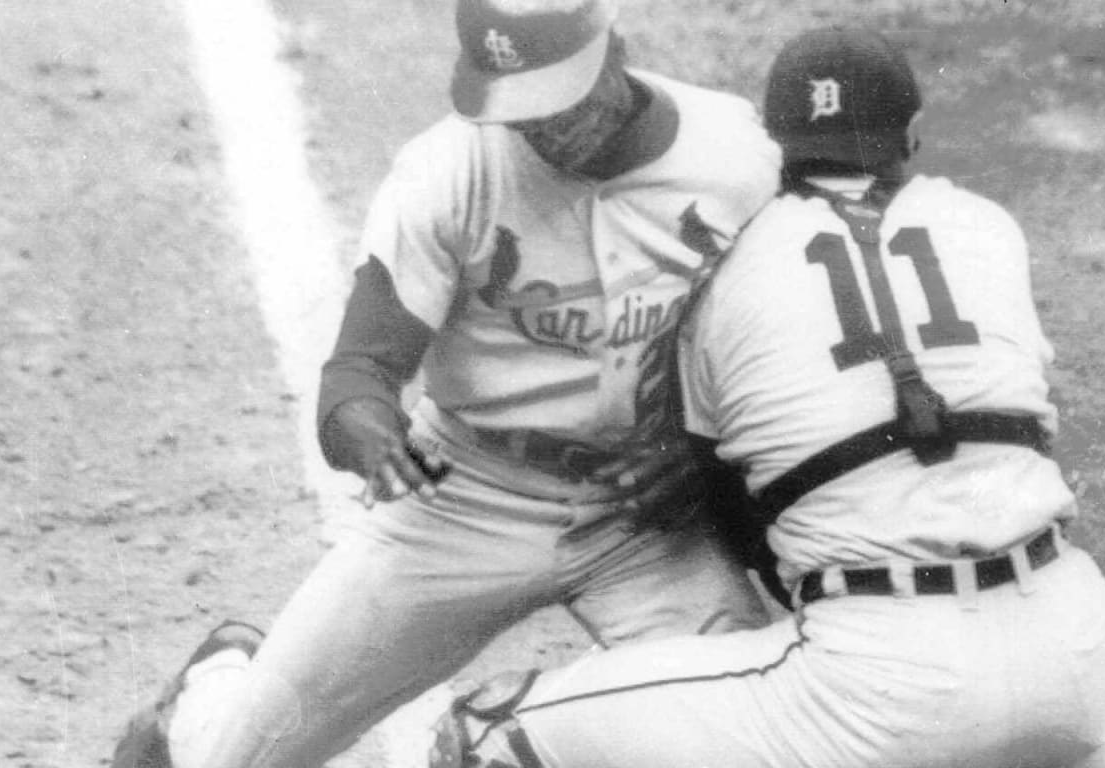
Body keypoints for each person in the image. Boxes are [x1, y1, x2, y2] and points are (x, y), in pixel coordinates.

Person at [420, 24, 1105, 768]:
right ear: (912, 138)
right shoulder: (988, 229)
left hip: (875, 693)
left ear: (776, 150)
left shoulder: (726, 281)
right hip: (1072, 652)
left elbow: (740, 520)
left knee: (489, 733)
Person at [111, 1, 780, 766]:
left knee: (747, 741)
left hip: (645, 523)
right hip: (464, 498)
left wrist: (705, 456)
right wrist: (372, 433)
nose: (544, 129)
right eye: (521, 109)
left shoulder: (738, 157)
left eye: (560, 100)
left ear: (613, 47)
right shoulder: (448, 170)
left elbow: (799, 349)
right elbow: (357, 373)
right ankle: (211, 689)